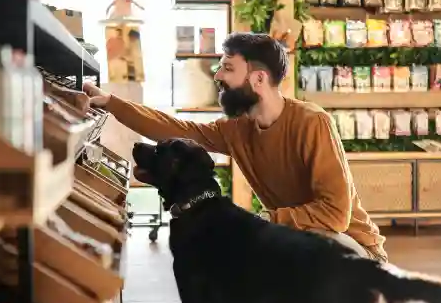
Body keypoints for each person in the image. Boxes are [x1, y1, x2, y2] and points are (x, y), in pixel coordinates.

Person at [77, 32, 388, 262]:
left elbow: (335, 216)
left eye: (227, 68)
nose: (217, 75)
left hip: (356, 252)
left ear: (258, 79)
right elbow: (178, 131)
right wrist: (113, 104)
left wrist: (265, 223)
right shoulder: (238, 129)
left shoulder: (312, 123)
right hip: (302, 240)